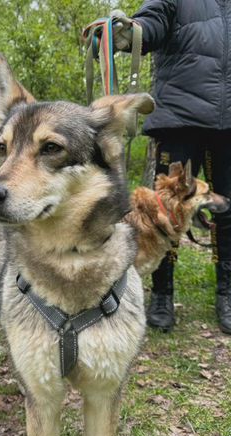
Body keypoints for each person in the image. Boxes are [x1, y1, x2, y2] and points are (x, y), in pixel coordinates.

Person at [112, 0, 231, 334]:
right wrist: (131, 33)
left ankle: (227, 293)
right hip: (180, 114)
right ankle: (162, 294)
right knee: (162, 209)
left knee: (227, 212)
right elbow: (153, 20)